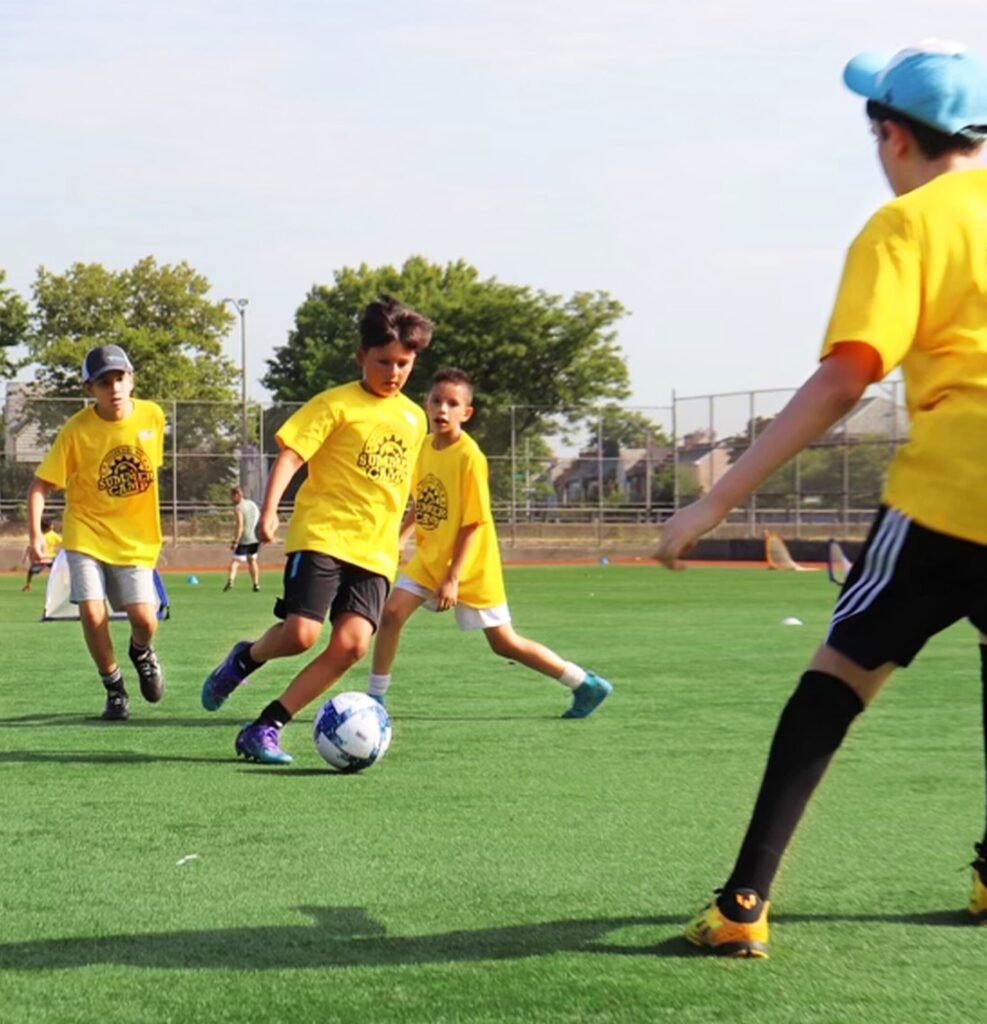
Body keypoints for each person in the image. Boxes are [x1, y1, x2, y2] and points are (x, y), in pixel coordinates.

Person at [655, 40, 987, 958]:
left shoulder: (906, 224)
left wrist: (712, 502)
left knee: (837, 675)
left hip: (950, 496)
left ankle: (741, 906)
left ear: (890, 136)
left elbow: (845, 379)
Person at [200, 295, 432, 764]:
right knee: (301, 634)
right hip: (323, 535)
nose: (393, 372)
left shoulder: (414, 418)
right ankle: (244, 659)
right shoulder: (335, 404)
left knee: (350, 647)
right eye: (383, 361)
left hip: (375, 553)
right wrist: (269, 511)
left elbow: (406, 486)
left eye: (404, 363)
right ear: (360, 357)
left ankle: (265, 726)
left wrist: (407, 533)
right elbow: (292, 454)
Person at [367, 367, 613, 717]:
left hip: (471, 567)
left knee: (504, 644)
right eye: (437, 400)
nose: (443, 409)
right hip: (429, 558)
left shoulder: (470, 457)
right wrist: (401, 536)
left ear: (466, 413)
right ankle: (375, 699)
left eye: (453, 404)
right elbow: (424, 502)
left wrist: (453, 576)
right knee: (391, 615)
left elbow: (474, 522)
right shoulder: (422, 447)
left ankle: (584, 683)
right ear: (426, 403)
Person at [26, 344, 166, 721]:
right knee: (91, 612)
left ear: (131, 379)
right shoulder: (76, 431)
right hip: (85, 533)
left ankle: (141, 651)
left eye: (120, 379)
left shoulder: (153, 417)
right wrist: (35, 536)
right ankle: (114, 687)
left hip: (136, 539)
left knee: (145, 619)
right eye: (104, 382)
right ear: (90, 389)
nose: (114, 388)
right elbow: (40, 485)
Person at [223, 485, 261, 592]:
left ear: (237, 495)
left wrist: (236, 540)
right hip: (255, 538)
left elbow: (240, 525)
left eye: (232, 496)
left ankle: (230, 580)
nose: (231, 499)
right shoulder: (252, 504)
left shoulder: (238, 507)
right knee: (252, 560)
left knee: (235, 561)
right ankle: (256, 584)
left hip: (245, 538)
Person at [21, 515, 61, 592]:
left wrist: (25, 557)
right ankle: (61, 585)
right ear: (50, 526)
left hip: (41, 559)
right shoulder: (53, 535)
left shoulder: (39, 536)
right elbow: (63, 543)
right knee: (58, 571)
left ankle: (28, 584)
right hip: (50, 558)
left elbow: (30, 546)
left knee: (31, 571)